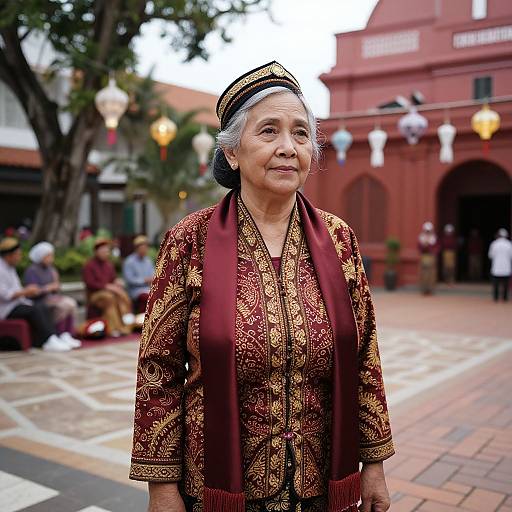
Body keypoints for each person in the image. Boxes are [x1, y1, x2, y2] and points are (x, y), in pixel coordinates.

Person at [129, 62, 394, 512]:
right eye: (268, 131)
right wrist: (162, 488)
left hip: (320, 484)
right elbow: (159, 371)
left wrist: (373, 465)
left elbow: (364, 354)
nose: (288, 147)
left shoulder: (339, 239)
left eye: (301, 133)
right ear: (232, 153)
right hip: (216, 486)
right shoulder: (188, 241)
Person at [0, 237, 73, 351]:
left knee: (41, 307)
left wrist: (25, 291)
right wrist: (27, 291)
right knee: (36, 308)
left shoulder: (10, 268)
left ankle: (53, 337)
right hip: (6, 308)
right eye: (18, 254)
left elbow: (18, 290)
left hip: (18, 303)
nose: (20, 257)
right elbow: (5, 295)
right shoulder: (2, 269)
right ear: (9, 255)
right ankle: (49, 339)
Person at [24, 242, 81, 348]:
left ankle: (66, 334)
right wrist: (47, 288)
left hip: (51, 297)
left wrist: (56, 284)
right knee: (64, 305)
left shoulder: (51, 270)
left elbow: (55, 289)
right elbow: (32, 292)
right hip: (39, 301)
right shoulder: (32, 271)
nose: (51, 259)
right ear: (41, 257)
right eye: (48, 256)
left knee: (71, 303)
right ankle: (57, 334)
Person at [82, 238, 133, 337]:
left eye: (107, 251)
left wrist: (117, 282)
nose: (106, 253)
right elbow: (90, 283)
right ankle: (113, 328)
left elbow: (113, 279)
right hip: (95, 294)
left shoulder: (109, 265)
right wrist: (107, 286)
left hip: (109, 292)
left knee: (122, 296)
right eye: (103, 251)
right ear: (96, 252)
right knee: (109, 297)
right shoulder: (89, 265)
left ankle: (126, 326)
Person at [122, 235, 154, 313]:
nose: (144, 250)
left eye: (145, 247)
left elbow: (153, 275)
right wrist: (144, 280)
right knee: (146, 297)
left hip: (148, 288)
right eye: (142, 247)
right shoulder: (129, 261)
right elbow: (129, 280)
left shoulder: (148, 261)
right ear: (136, 248)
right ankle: (141, 319)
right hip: (135, 290)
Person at [488, 228, 512, 302]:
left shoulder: (494, 244)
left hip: (496, 268)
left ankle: (496, 297)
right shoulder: (509, 244)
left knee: (496, 284)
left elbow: (490, 255)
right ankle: (504, 298)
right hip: (506, 268)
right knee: (505, 284)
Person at [418, 222, 439, 295]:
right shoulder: (421, 237)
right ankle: (423, 289)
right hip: (424, 256)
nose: (428, 232)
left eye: (429, 231)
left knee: (431, 273)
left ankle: (430, 289)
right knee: (424, 273)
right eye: (426, 231)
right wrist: (424, 245)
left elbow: (437, 247)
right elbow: (419, 247)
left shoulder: (434, 238)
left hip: (431, 256)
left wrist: (432, 250)